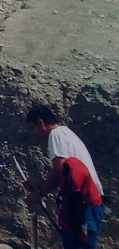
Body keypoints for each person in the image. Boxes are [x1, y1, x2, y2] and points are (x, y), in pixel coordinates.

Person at [24, 105, 105, 249]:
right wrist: (39, 185)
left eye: (32, 128)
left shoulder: (56, 135)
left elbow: (60, 170)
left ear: (41, 123)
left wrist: (40, 194)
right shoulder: (66, 133)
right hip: (88, 201)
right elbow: (66, 173)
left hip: (83, 205)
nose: (34, 133)